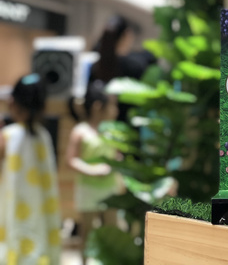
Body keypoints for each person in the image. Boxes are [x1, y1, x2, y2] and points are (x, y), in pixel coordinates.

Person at [0, 74, 61, 265]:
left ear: (13, 102)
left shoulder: (8, 136)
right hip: (40, 212)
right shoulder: (43, 136)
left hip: (14, 212)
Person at [66, 80, 120, 264]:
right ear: (98, 107)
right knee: (87, 232)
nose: (115, 110)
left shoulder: (113, 132)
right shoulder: (80, 131)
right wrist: (91, 170)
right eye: (112, 105)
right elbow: (71, 160)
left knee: (112, 230)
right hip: (87, 189)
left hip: (110, 189)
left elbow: (117, 155)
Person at [89, 15, 155, 122]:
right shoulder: (135, 65)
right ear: (127, 34)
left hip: (103, 123)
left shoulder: (95, 66)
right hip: (128, 126)